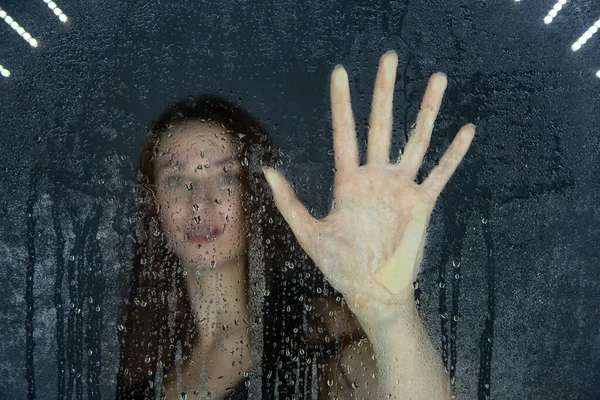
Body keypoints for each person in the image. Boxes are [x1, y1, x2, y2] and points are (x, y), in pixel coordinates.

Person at [116, 50, 475, 399]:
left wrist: (391, 318)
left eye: (226, 176)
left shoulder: (319, 336)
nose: (199, 201)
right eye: (177, 179)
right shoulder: (144, 363)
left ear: (256, 197)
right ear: (153, 203)